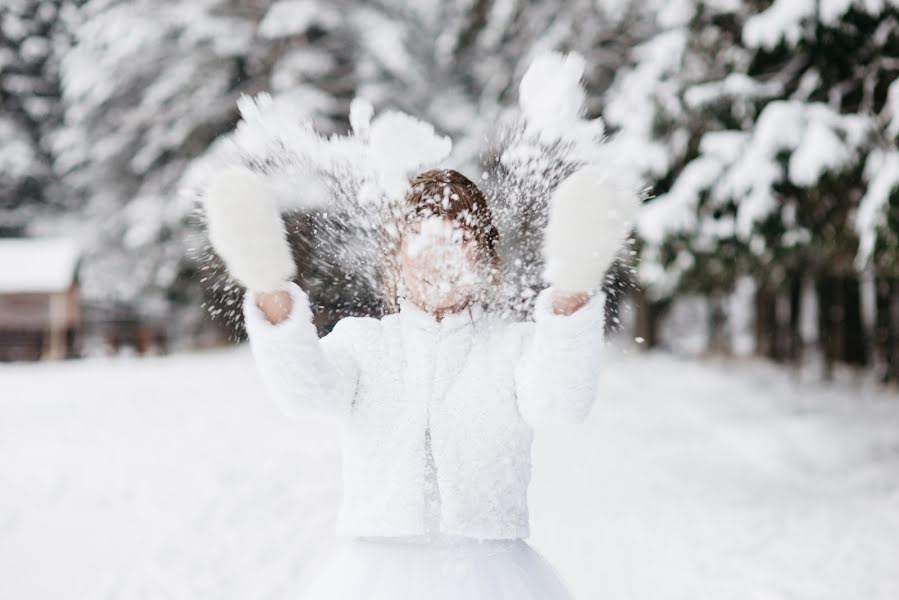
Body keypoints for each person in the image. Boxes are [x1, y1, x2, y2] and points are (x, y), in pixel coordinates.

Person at [202, 165, 637, 599]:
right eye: (422, 238)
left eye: (460, 239)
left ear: (484, 255)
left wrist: (574, 287)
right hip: (373, 579)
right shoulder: (365, 344)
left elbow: (560, 404)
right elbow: (305, 393)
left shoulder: (513, 347)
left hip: (492, 578)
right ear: (397, 252)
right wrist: (266, 284)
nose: (440, 258)